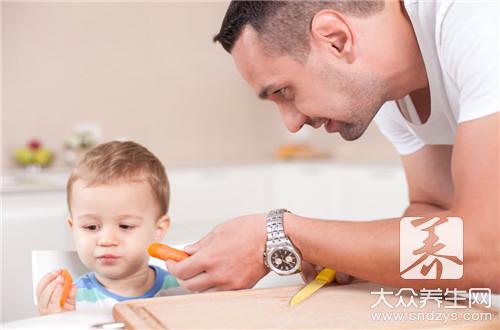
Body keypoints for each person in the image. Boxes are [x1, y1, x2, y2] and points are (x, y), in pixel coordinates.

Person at [166, 1, 499, 293]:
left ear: (336, 40)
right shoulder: (389, 91)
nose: (291, 124)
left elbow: (487, 252)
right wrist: (344, 252)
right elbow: (433, 211)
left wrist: (283, 235)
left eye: (283, 91)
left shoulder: (477, 20)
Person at [36, 141, 183, 315]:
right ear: (73, 227)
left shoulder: (183, 291)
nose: (106, 240)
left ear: (158, 229)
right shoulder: (70, 301)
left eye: (125, 226)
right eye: (91, 227)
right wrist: (53, 321)